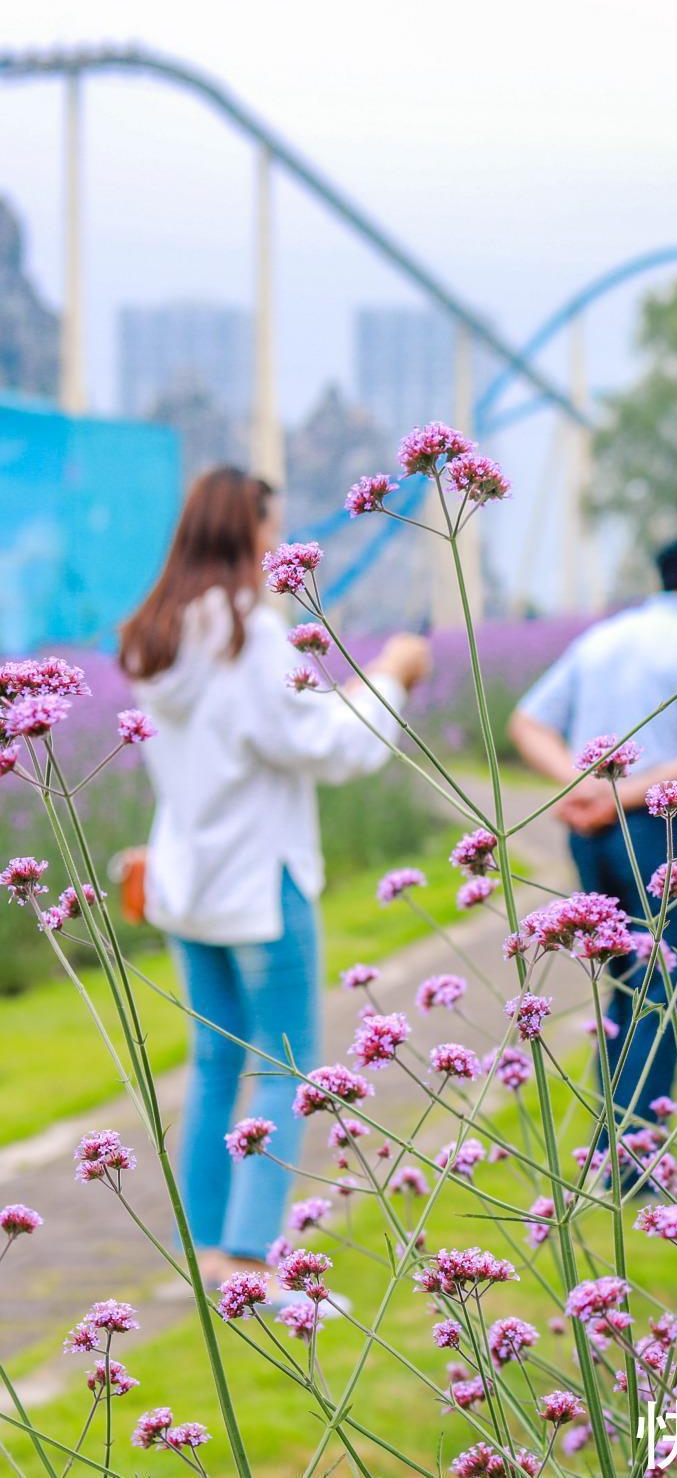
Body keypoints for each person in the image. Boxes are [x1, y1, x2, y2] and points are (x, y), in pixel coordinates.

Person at [119, 465, 429, 1284]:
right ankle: (253, 1259)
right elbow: (316, 744)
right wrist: (392, 679)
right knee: (290, 1070)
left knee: (217, 1063)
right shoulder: (246, 632)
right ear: (245, 532)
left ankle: (209, 1246)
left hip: (190, 881)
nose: (275, 542)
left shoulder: (159, 633)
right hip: (261, 880)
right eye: (270, 526)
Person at [508, 536, 677, 1129]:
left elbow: (527, 722)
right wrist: (614, 794)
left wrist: (582, 787)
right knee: (660, 992)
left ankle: (609, 1141)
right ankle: (635, 1155)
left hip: (591, 832)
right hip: (665, 829)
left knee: (618, 986)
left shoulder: (602, 638)